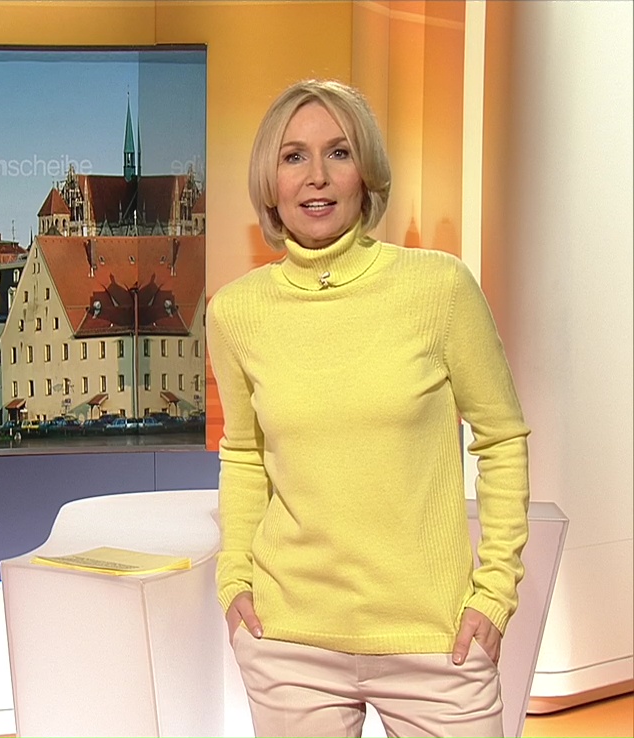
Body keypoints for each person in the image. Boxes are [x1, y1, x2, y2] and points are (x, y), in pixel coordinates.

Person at [206, 79, 530, 737]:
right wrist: (234, 579)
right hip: (287, 642)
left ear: (367, 174)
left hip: (437, 642)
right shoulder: (236, 312)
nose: (316, 177)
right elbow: (244, 455)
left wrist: (495, 593)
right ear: (270, 180)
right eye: (293, 156)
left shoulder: (439, 288)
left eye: (340, 152)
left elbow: (501, 437)